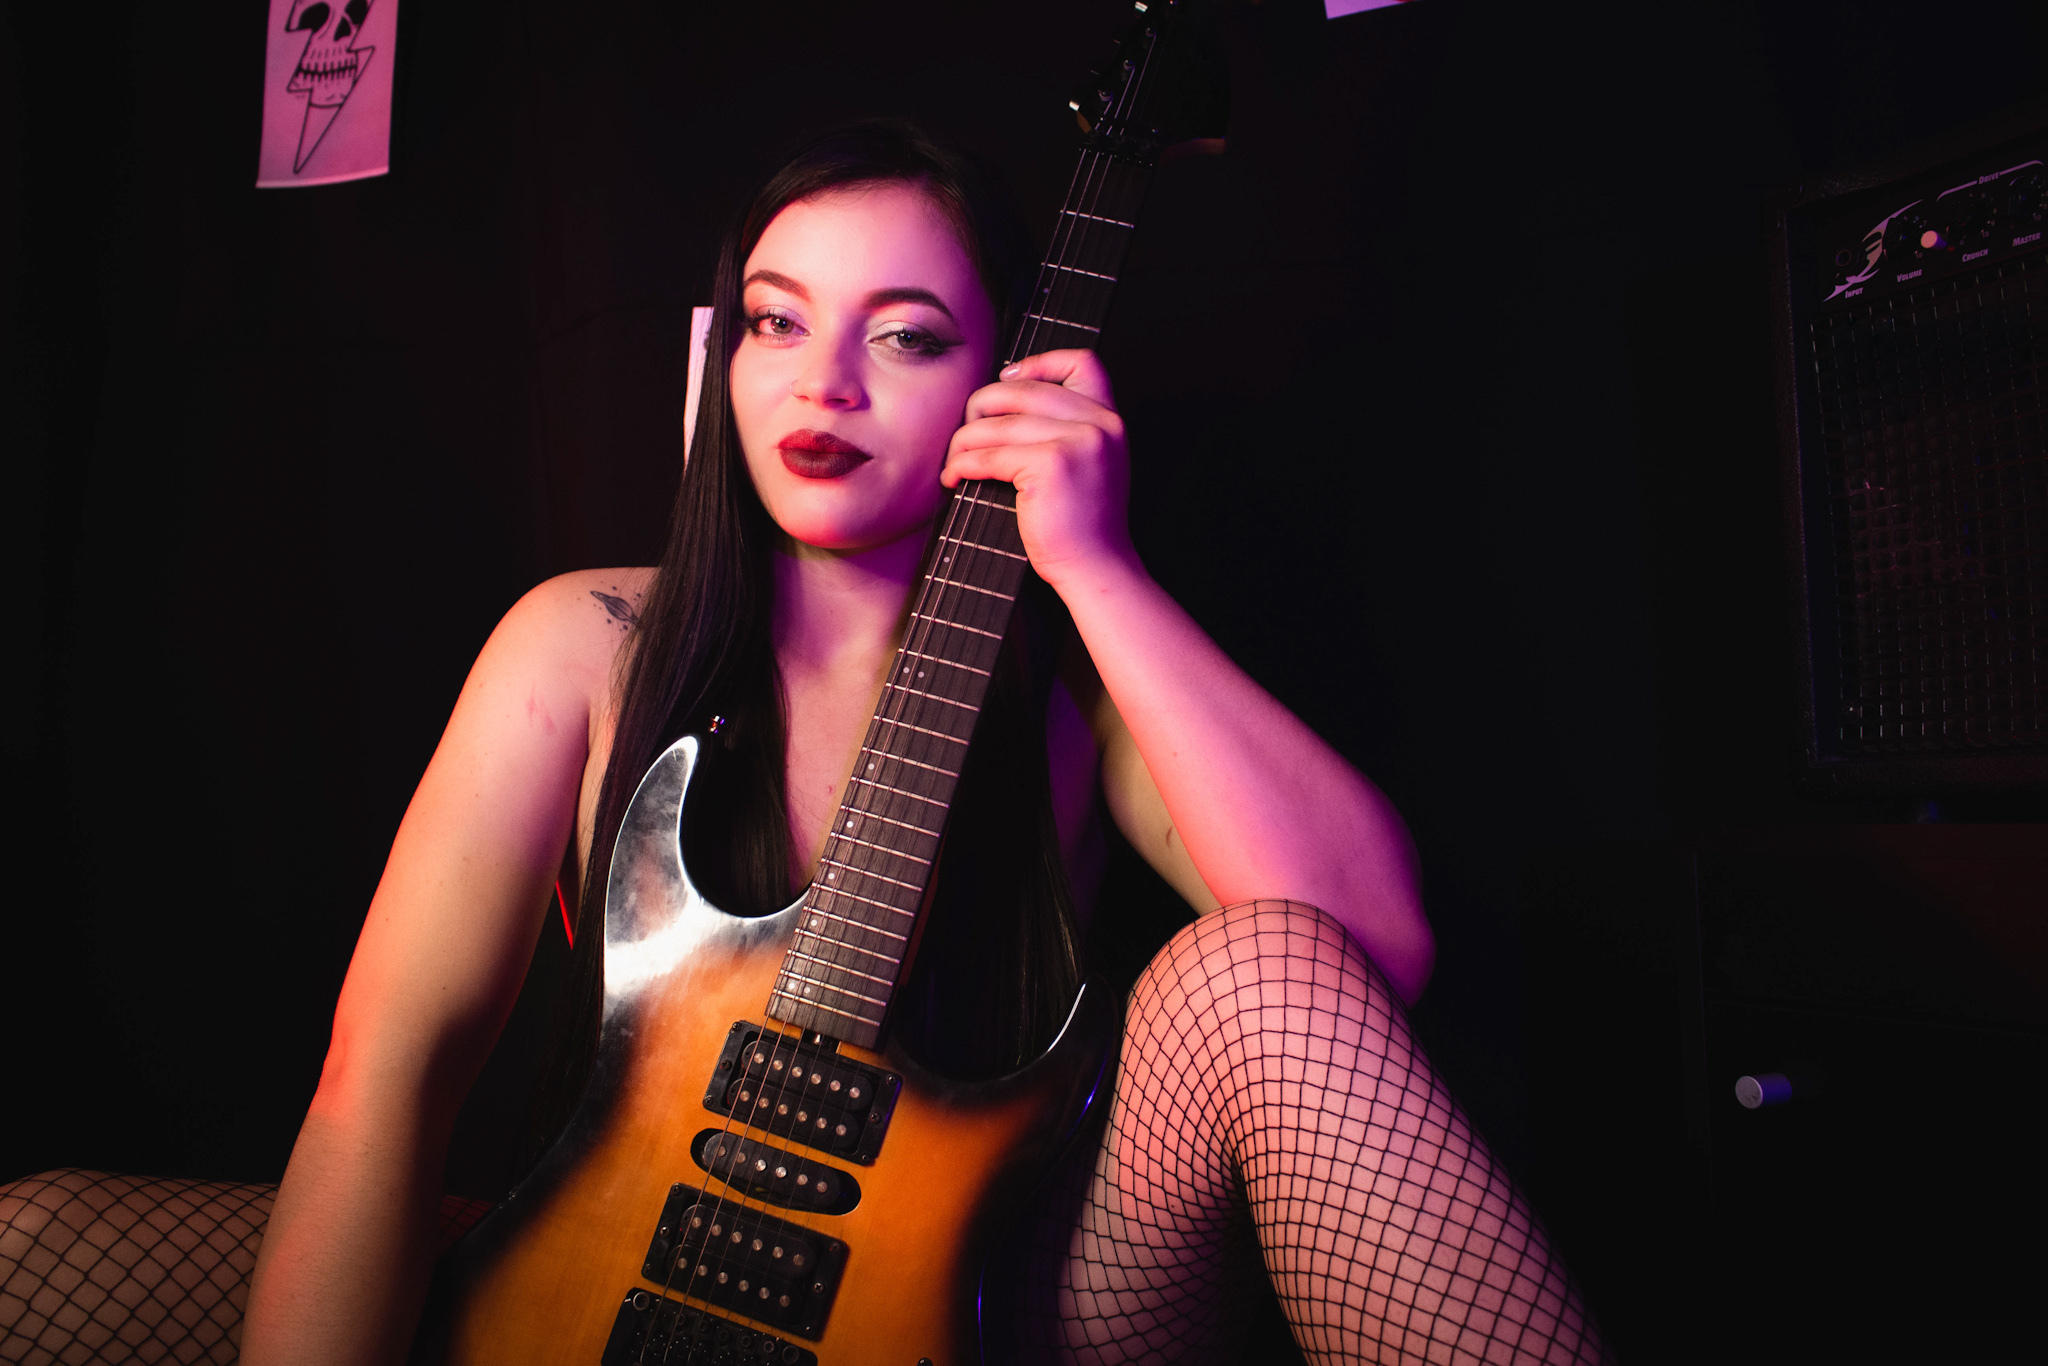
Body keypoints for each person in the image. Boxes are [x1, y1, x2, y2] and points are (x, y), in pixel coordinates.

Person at [0, 122, 1605, 1365]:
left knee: (1252, 972)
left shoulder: (1074, 692)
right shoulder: (583, 643)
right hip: (628, 1250)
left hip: (985, 1305)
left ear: (1006, 380)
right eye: (779, 321)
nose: (823, 380)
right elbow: (385, 1087)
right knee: (35, 1249)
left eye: (906, 337)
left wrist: (1098, 573)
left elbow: (1371, 948)